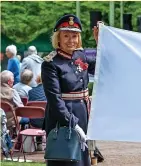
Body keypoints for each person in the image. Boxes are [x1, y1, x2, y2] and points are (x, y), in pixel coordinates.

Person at [41, 14, 99, 166]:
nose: (71, 40)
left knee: (83, 159)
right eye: (66, 36)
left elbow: (103, 64)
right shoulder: (50, 63)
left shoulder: (81, 55)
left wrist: (101, 42)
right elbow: (55, 100)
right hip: (63, 117)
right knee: (65, 160)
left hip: (83, 115)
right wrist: (72, 123)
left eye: (74, 36)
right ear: (58, 38)